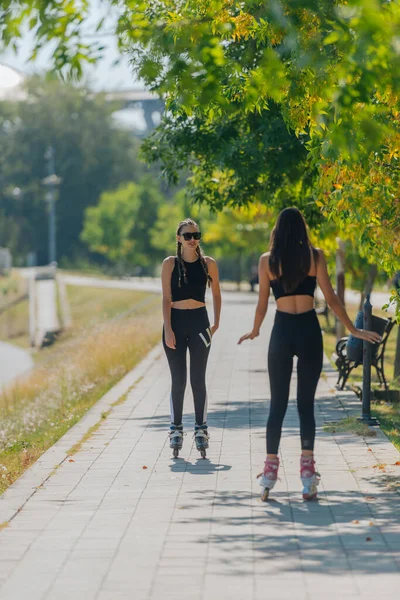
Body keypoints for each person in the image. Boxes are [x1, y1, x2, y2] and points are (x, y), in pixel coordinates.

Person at [238, 207, 381, 500]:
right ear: (302, 228)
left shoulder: (268, 261)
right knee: (305, 405)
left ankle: (269, 473)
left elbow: (263, 304)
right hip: (307, 331)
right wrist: (352, 330)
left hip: (282, 332)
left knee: (277, 405)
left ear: (277, 230)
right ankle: (307, 474)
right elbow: (331, 298)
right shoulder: (315, 257)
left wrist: (255, 329)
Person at [161, 218, 221, 458]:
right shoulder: (169, 264)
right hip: (175, 322)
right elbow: (166, 298)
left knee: (198, 379)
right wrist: (167, 328)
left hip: (200, 323)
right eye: (187, 236)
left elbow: (216, 293)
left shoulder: (209, 263)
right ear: (179, 238)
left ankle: (201, 428)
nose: (193, 239)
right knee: (178, 380)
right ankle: (175, 429)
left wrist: (216, 323)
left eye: (196, 235)